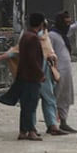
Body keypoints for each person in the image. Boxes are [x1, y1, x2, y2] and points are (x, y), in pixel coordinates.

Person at [0, 21, 67, 136]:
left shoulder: (45, 39)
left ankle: (51, 125)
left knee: (49, 99)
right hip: (33, 76)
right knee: (30, 102)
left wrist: (52, 57)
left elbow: (49, 52)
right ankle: (31, 128)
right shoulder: (30, 38)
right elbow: (15, 52)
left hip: (45, 74)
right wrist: (2, 57)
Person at [12, 13, 46, 141]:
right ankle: (31, 131)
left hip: (23, 76)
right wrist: (40, 74)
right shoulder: (33, 38)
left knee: (25, 105)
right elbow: (33, 60)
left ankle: (23, 131)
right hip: (31, 78)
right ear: (41, 24)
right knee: (31, 105)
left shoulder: (25, 36)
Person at [49, 11, 77, 133]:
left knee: (66, 97)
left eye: (69, 22)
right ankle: (52, 124)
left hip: (67, 71)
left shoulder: (64, 34)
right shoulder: (52, 35)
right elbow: (49, 54)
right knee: (54, 97)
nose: (68, 25)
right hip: (57, 71)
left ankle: (64, 122)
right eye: (66, 22)